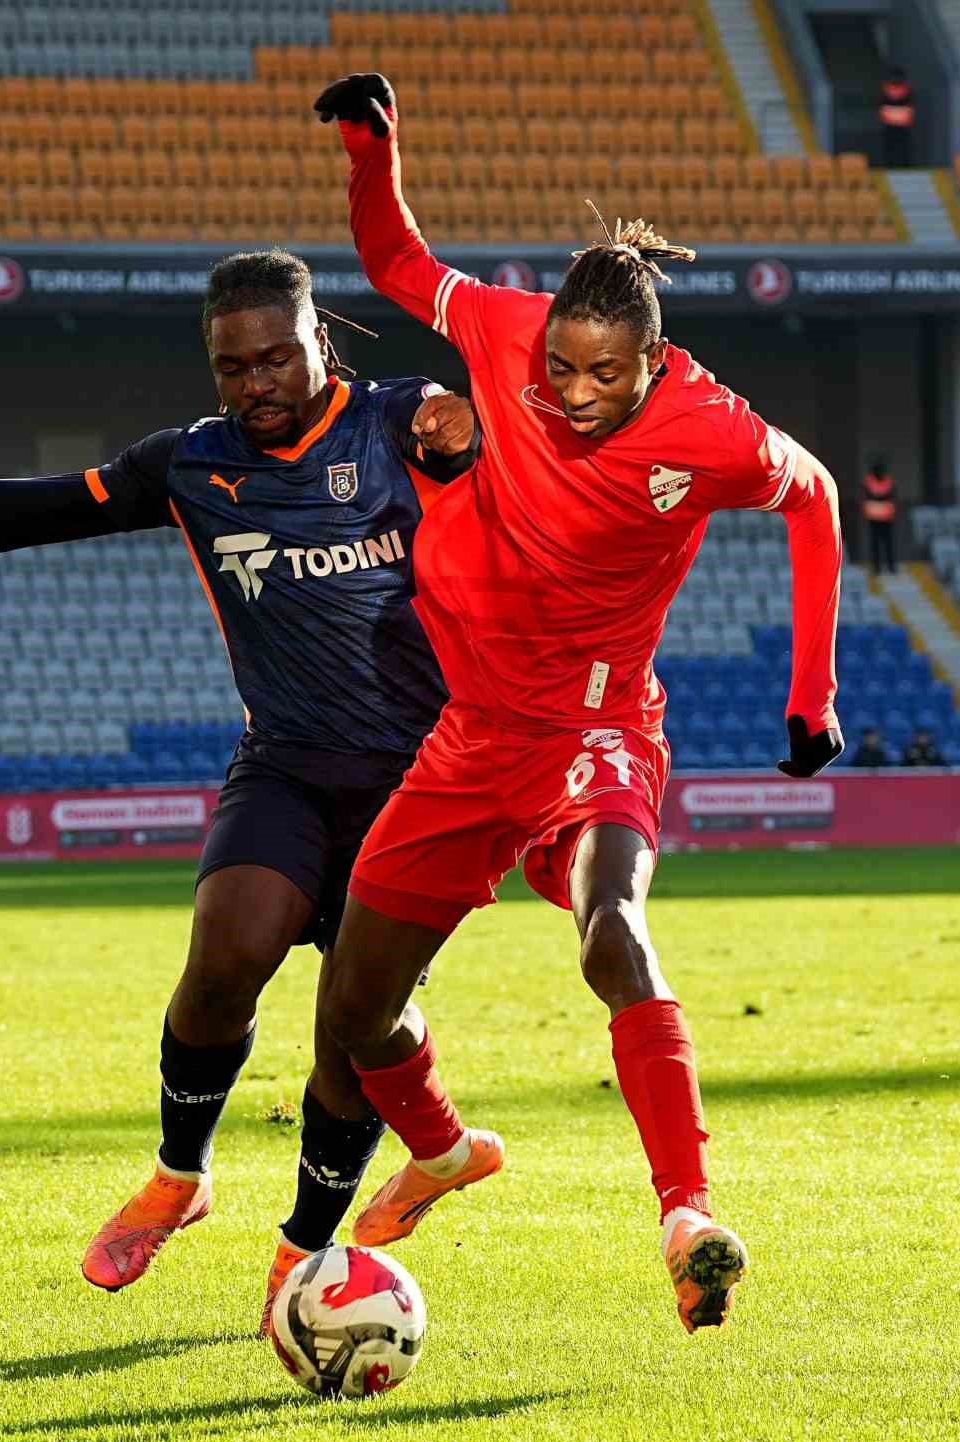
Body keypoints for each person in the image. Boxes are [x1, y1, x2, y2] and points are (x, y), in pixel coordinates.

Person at [0, 249, 479, 1333]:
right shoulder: (189, 465)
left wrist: (462, 423)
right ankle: (179, 1176)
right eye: (230, 367)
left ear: (318, 342)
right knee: (224, 953)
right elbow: (20, 512)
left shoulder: (396, 426)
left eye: (275, 357)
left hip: (418, 787)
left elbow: (525, 445)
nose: (255, 383)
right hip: (283, 761)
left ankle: (303, 1253)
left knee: (351, 1025)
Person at [310, 74, 844, 1335]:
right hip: (469, 734)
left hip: (597, 728)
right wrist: (369, 145)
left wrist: (809, 689)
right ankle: (439, 1152)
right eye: (563, 365)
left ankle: (688, 1217)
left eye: (604, 372)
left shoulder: (710, 430)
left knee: (612, 929)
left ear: (654, 358)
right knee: (352, 1009)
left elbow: (815, 497)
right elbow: (394, 259)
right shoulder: (503, 333)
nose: (576, 389)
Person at [861, 459, 897, 576]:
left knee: (877, 544)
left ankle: (878, 568)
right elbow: (893, 496)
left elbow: (864, 496)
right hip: (885, 516)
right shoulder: (888, 481)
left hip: (874, 517)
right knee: (887, 543)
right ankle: (891, 567)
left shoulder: (868, 481)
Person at [880, 67, 915, 169]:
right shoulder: (907, 89)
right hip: (900, 123)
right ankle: (903, 165)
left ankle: (893, 165)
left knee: (894, 147)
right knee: (901, 147)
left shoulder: (886, 89)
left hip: (892, 123)